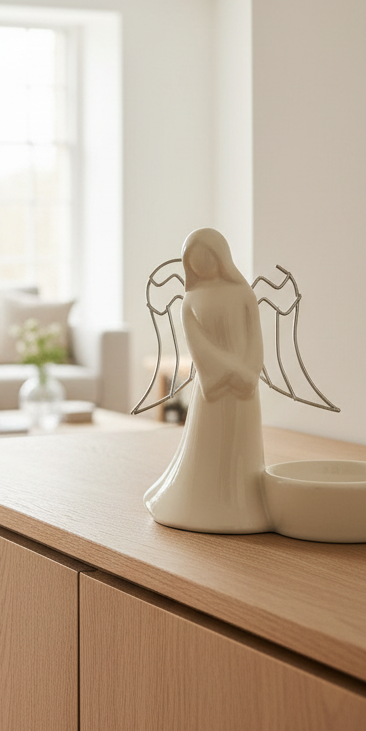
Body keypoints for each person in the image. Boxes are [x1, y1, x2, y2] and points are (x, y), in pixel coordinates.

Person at [143, 228, 272, 533]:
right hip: (214, 386)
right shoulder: (191, 301)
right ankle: (200, 502)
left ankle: (244, 504)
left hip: (244, 388)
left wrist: (250, 372)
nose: (200, 262)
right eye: (193, 257)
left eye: (207, 254)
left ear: (221, 256)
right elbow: (199, 347)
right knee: (209, 441)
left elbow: (255, 338)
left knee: (242, 444)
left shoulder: (244, 294)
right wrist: (230, 370)